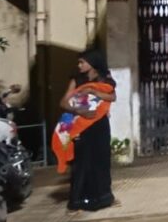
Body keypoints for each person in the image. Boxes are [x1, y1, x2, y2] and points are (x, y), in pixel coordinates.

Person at [59, 49, 118, 213]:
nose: (79, 65)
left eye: (82, 62)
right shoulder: (76, 80)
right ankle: (79, 199)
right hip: (81, 126)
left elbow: (112, 97)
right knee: (82, 161)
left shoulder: (105, 78)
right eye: (79, 62)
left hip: (100, 125)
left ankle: (103, 197)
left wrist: (93, 91)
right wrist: (78, 111)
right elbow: (63, 102)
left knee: (101, 160)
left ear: (92, 63)